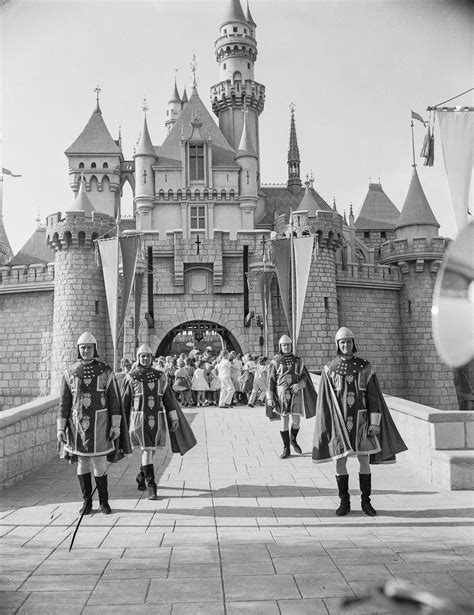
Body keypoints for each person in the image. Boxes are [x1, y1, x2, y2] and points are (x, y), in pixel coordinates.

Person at [312, 327, 407, 516]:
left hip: (361, 421)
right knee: (341, 461)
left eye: (348, 341)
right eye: (342, 342)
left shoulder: (365, 367)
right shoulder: (329, 369)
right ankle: (344, 502)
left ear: (353, 343)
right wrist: (328, 427)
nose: (346, 345)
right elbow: (325, 402)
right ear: (337, 345)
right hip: (340, 423)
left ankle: (366, 502)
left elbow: (373, 397)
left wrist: (374, 423)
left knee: (364, 460)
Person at [57, 332, 130, 515]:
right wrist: (61, 428)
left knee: (99, 462)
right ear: (78, 349)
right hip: (77, 425)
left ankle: (103, 502)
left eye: (89, 347)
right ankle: (87, 502)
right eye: (83, 347)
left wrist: (115, 426)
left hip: (100, 424)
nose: (86, 350)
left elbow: (113, 400)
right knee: (82, 462)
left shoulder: (105, 371)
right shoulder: (70, 372)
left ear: (94, 349)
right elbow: (64, 402)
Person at [121, 344, 181, 500]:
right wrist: (122, 423)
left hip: (157, 418)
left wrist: (173, 417)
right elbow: (125, 402)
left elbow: (168, 399)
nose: (145, 358)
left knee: (151, 451)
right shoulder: (132, 376)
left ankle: (141, 477)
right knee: (147, 450)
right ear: (138, 357)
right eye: (142, 356)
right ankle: (151, 486)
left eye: (148, 356)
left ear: (152, 358)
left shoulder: (160, 376)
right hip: (139, 419)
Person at [266, 335, 317, 459]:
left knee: (296, 421)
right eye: (284, 345)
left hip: (296, 393)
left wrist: (299, 385)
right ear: (280, 346)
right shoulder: (275, 361)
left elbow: (305, 376)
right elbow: (270, 380)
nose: (286, 347)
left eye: (288, 345)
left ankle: (293, 439)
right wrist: (270, 397)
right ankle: (286, 448)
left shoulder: (298, 360)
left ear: (291, 346)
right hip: (281, 393)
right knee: (284, 420)